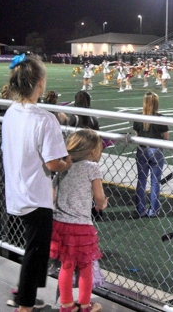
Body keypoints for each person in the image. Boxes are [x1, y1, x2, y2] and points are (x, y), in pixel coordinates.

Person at [2, 54, 72, 312]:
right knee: (36, 251)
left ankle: (26, 295)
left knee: (36, 250)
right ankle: (25, 305)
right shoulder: (45, 118)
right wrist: (68, 162)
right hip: (35, 194)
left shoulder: (11, 112)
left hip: (16, 190)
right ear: (39, 83)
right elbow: (54, 163)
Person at [50, 129, 108, 312]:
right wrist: (102, 204)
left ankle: (67, 304)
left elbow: (52, 194)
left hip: (60, 223)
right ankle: (85, 304)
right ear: (92, 151)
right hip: (81, 225)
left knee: (66, 266)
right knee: (85, 266)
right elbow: (98, 196)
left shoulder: (63, 166)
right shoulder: (92, 168)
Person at [132, 92, 169, 217]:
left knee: (141, 180)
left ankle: (141, 209)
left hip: (142, 150)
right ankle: (154, 210)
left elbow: (137, 135)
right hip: (156, 150)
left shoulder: (139, 117)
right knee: (155, 182)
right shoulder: (160, 118)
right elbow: (166, 137)